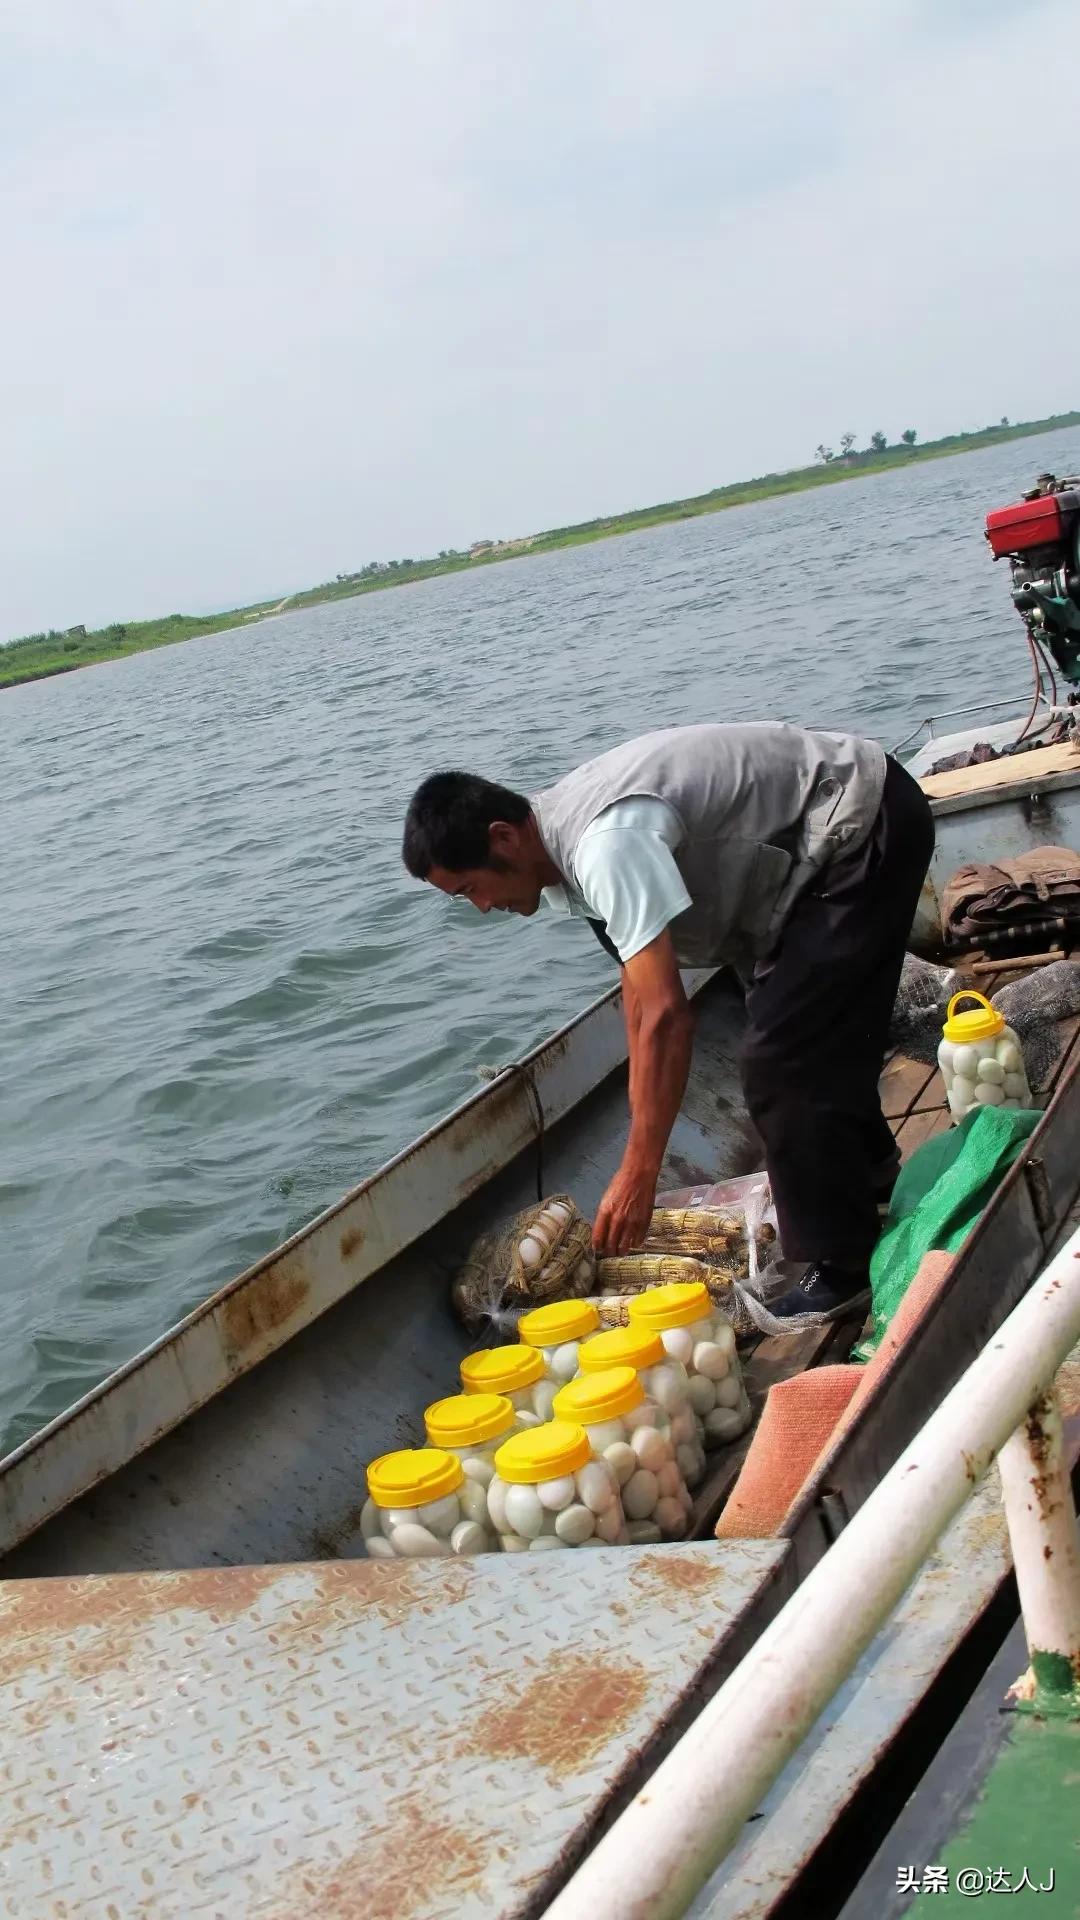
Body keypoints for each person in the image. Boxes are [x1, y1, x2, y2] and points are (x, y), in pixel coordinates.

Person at [401, 722, 934, 1323]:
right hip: (807, 862)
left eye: (471, 888)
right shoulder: (559, 846)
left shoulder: (604, 846)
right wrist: (639, 1125)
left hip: (861, 827)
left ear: (503, 838)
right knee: (788, 1024)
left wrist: (638, 1172)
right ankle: (871, 1176)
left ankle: (843, 1267)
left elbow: (667, 1016)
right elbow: (639, 998)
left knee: (780, 1057)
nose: (482, 908)